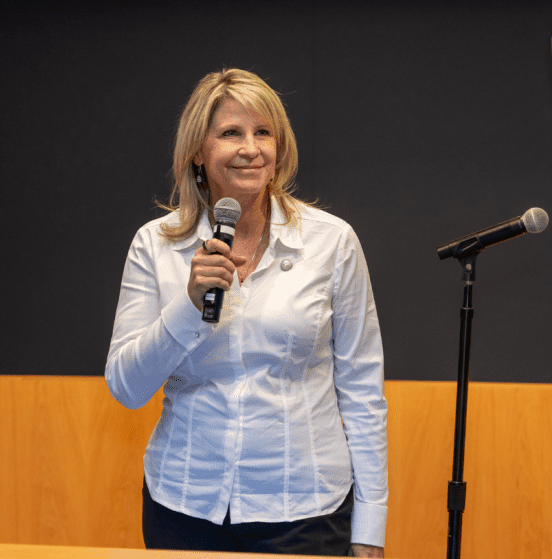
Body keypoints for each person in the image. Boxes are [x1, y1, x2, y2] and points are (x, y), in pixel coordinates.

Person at [104, 68, 388, 557]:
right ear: (198, 150)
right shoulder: (155, 244)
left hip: (305, 510)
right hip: (185, 506)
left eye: (264, 133)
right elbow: (126, 388)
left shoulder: (332, 241)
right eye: (231, 133)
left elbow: (363, 391)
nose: (250, 148)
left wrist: (370, 527)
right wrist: (187, 304)